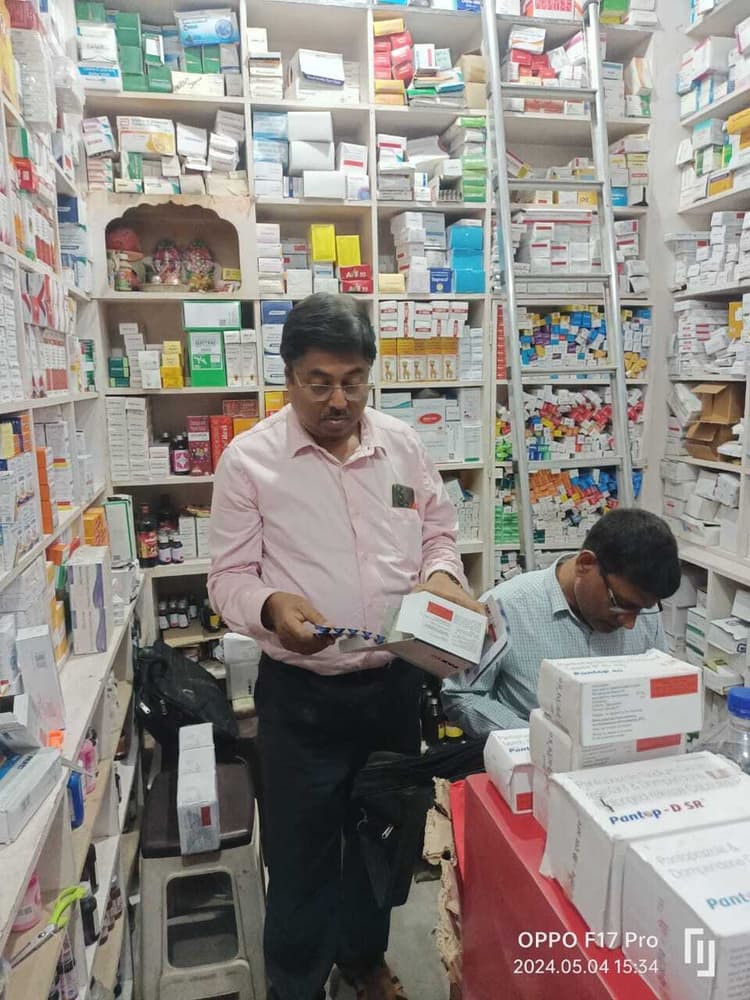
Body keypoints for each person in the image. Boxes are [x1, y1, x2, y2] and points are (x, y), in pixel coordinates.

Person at [208, 292, 483, 1000]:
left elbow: (438, 533)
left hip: (393, 686)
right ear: (288, 375)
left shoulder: (402, 444)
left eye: (354, 381)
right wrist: (271, 607)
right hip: (302, 698)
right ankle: (296, 983)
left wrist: (442, 577)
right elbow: (228, 578)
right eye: (320, 382)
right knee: (301, 854)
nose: (340, 400)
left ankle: (363, 959)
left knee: (384, 836)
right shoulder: (250, 461)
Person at [442, 508, 681, 737]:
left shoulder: (643, 613)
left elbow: (658, 688)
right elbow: (463, 695)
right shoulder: (505, 608)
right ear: (585, 564)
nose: (630, 623)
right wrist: (535, 739)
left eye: (641, 609)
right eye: (620, 603)